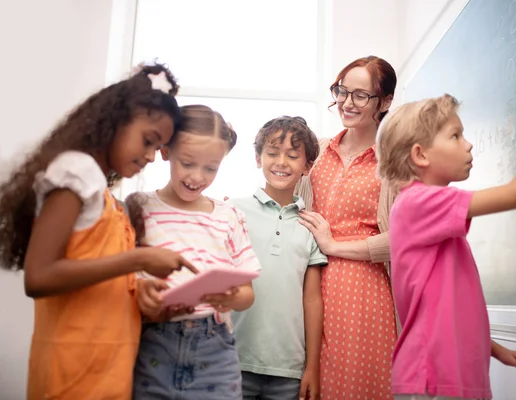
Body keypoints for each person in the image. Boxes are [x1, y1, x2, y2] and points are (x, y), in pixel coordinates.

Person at [0, 63, 197, 399]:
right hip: (71, 377)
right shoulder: (76, 173)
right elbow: (39, 276)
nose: (151, 156)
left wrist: (144, 297)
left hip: (106, 376)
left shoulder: (104, 197)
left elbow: (94, 272)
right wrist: (138, 259)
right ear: (116, 119)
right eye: (148, 141)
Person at [377, 84, 516, 399]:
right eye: (455, 136)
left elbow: (444, 307)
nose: (468, 145)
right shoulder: (418, 203)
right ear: (420, 154)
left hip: (452, 379)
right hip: (432, 379)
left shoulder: (431, 216)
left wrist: (496, 350)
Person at [127, 104, 262, 400]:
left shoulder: (228, 216)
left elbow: (247, 294)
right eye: (188, 163)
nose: (198, 177)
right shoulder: (139, 207)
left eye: (211, 168)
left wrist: (231, 297)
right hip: (153, 343)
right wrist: (141, 292)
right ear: (166, 152)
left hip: (214, 349)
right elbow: (125, 278)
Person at [295, 55, 398, 399]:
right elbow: (288, 205)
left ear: (384, 102)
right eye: (342, 91)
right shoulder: (318, 151)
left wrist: (335, 246)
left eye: (360, 95)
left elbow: (405, 239)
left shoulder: (393, 163)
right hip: (308, 283)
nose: (346, 102)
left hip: (362, 294)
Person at [228, 116, 327, 400]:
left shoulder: (311, 225)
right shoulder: (233, 212)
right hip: (233, 362)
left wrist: (312, 367)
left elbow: (312, 300)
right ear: (258, 158)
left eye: (293, 155)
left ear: (307, 167)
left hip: (289, 371)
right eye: (272, 153)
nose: (281, 162)